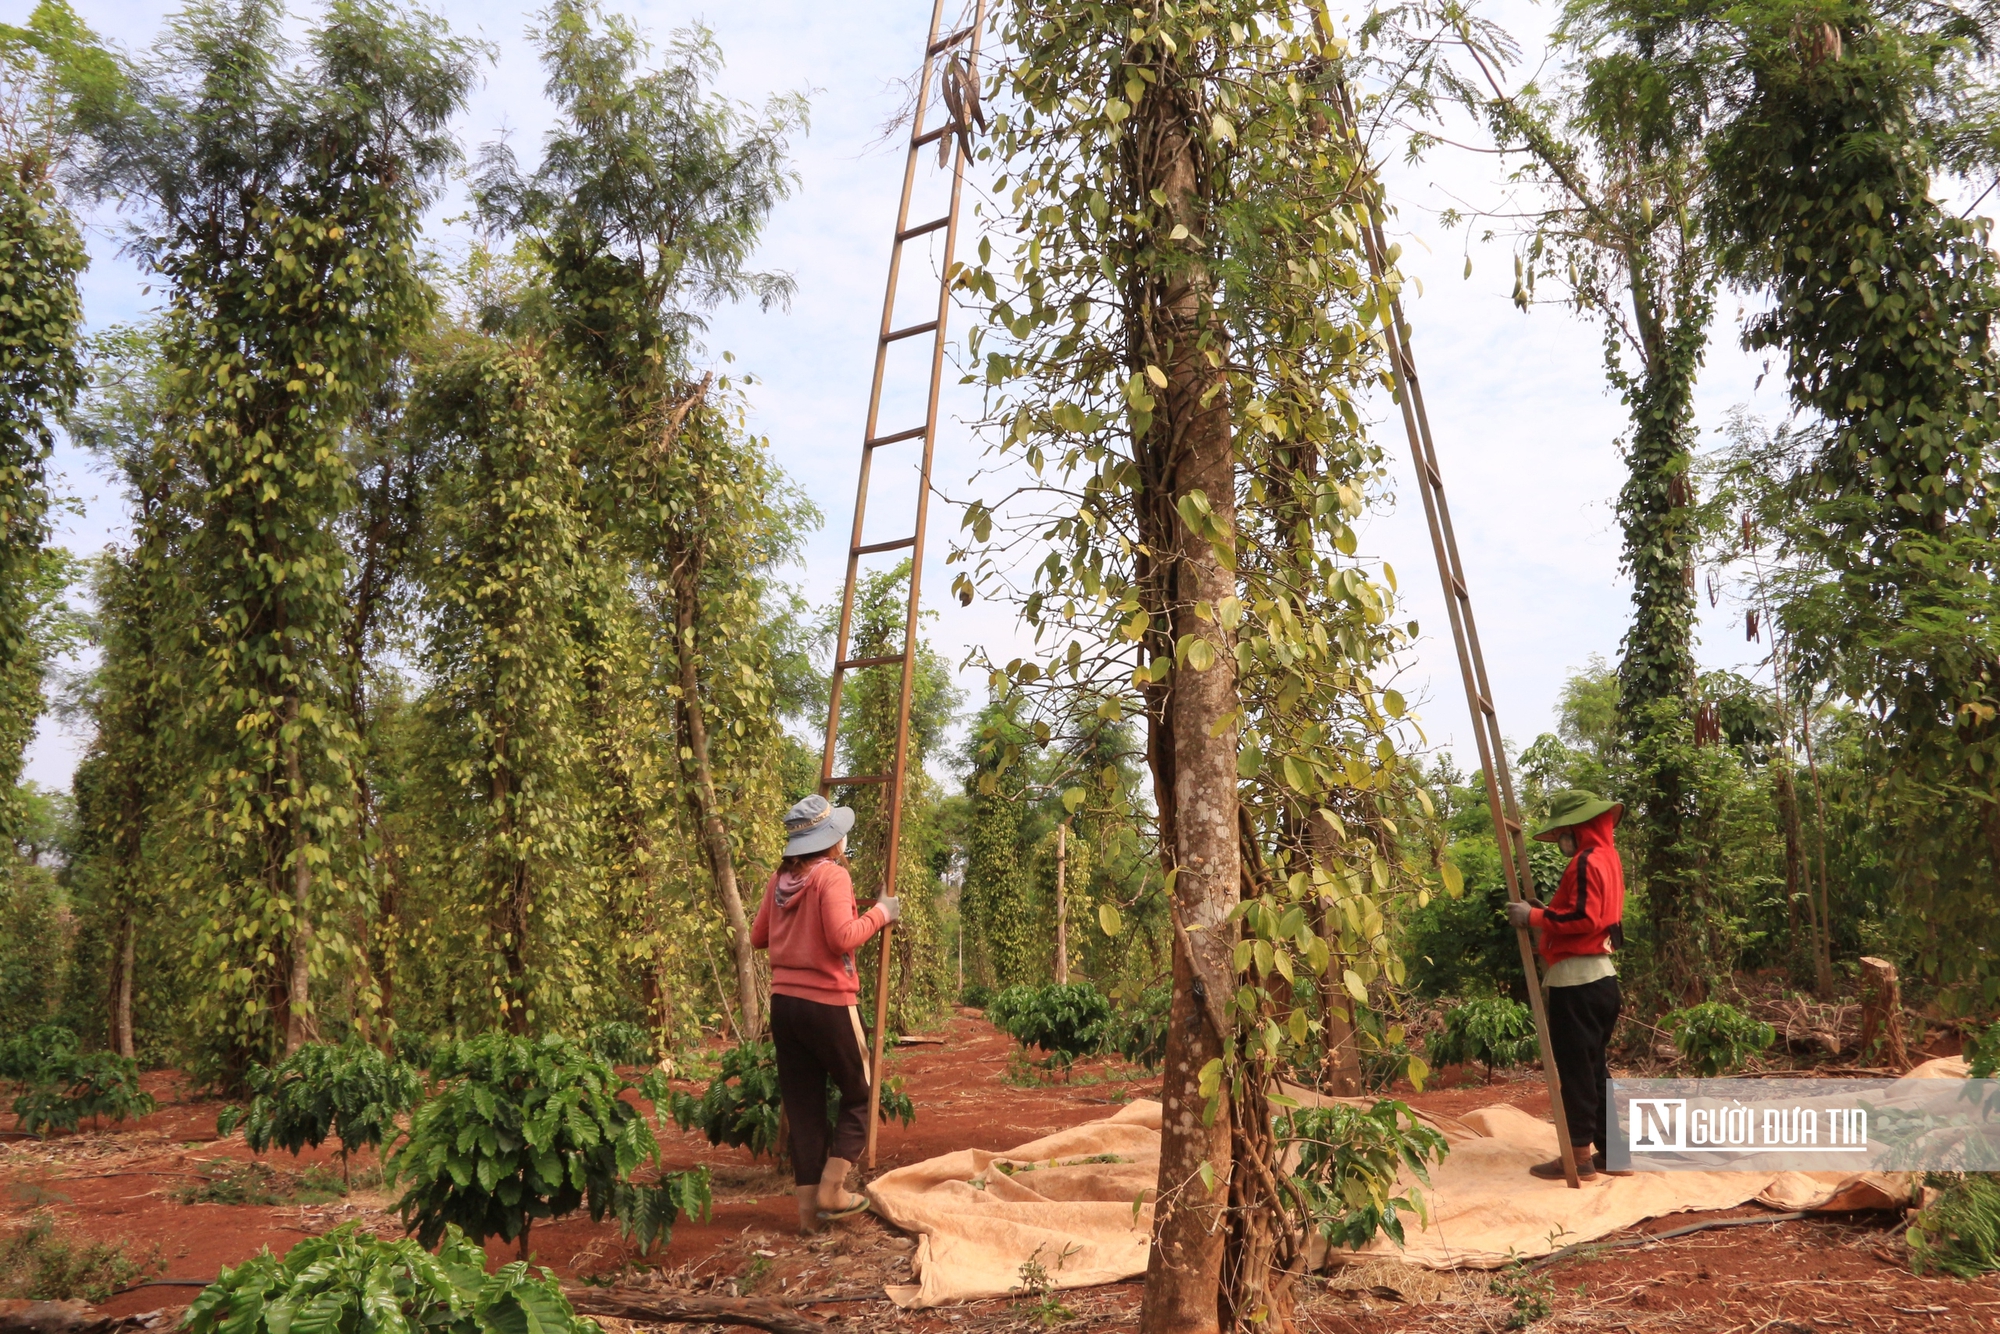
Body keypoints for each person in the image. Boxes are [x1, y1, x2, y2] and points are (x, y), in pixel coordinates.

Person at [751, 793, 902, 1232]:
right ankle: (833, 1191)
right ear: (831, 840)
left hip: (784, 1005)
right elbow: (841, 939)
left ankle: (807, 1218)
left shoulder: (780, 880)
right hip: (829, 1004)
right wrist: (881, 913)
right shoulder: (831, 877)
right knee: (861, 1091)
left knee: (804, 1108)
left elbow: (760, 937)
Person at [1504, 788, 1632, 1181]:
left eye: (1564, 832)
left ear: (1579, 829)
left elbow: (1584, 919)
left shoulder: (1585, 861)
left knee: (1576, 1070)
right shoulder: (1609, 859)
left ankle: (1577, 1157)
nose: (1562, 840)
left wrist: (1535, 917)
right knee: (1595, 1069)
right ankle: (1614, 1153)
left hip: (1576, 981)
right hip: (1603, 980)